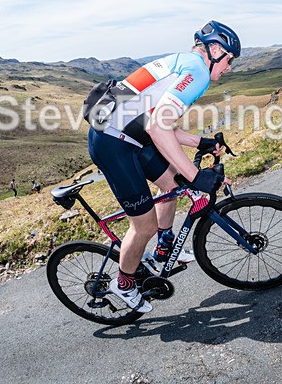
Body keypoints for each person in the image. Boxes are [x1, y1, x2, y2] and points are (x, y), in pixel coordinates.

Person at [87, 20, 240, 313]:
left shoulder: (185, 61)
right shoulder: (197, 72)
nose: (229, 67)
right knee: (142, 225)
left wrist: (201, 143)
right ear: (216, 50)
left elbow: (153, 120)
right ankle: (124, 282)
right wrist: (197, 177)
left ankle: (164, 247)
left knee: (171, 184)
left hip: (129, 132)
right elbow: (159, 127)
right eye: (229, 60)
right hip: (113, 144)